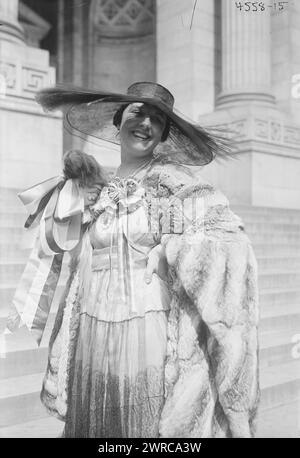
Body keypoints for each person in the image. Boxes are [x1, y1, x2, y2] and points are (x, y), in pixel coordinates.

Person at [10, 82, 260, 438]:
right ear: (119, 120)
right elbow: (65, 246)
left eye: (156, 119)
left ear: (163, 135)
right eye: (137, 113)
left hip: (147, 331)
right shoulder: (101, 187)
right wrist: (73, 195)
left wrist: (171, 251)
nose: (145, 123)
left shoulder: (177, 185)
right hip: (93, 327)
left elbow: (230, 242)